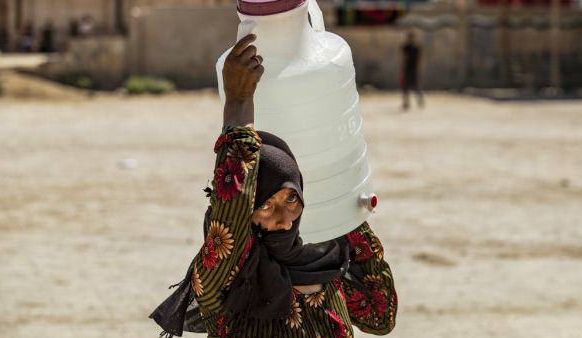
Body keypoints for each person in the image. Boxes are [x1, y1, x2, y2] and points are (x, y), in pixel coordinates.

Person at [150, 34, 397, 337]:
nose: (283, 218)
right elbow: (233, 206)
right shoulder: (228, 278)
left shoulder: (321, 263)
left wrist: (346, 210)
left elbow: (380, 317)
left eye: (292, 199)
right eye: (265, 205)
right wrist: (239, 102)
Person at [401, 31, 424, 111]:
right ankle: (406, 102)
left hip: (412, 69)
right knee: (406, 86)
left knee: (415, 86)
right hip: (408, 69)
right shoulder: (406, 47)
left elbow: (418, 59)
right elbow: (404, 58)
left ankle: (419, 100)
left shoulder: (416, 48)